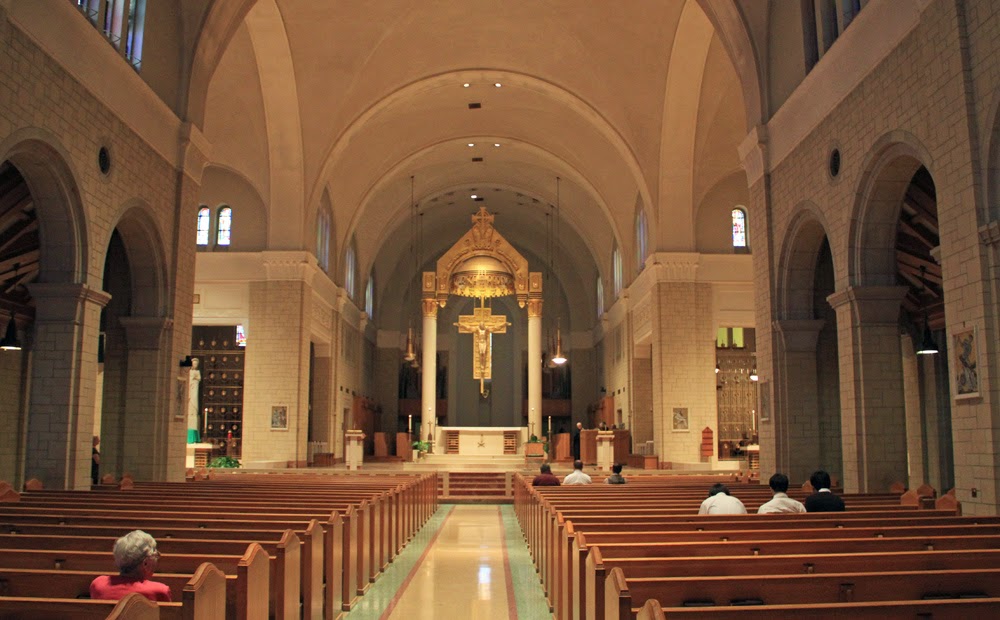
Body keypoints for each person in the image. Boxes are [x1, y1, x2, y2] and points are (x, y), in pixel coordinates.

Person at [90, 530, 172, 602]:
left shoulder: (98, 584)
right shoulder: (160, 591)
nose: (158, 556)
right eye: (156, 554)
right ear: (145, 563)